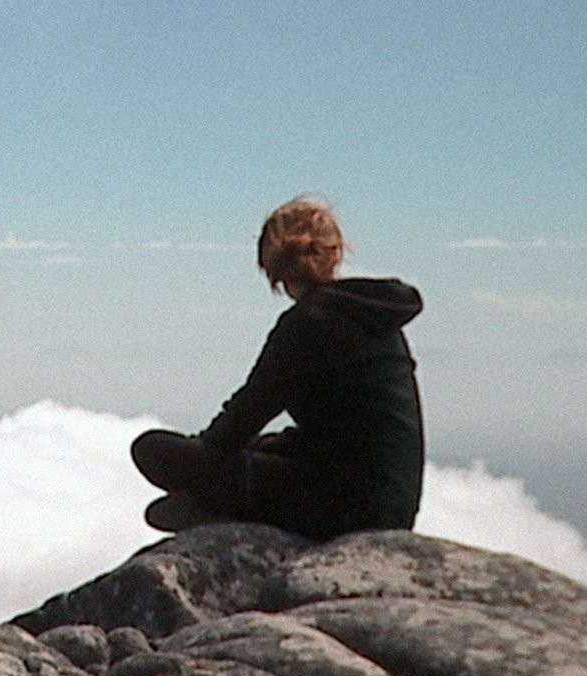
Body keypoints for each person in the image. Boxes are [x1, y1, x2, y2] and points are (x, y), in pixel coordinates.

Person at [130, 197, 424, 539]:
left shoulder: (308, 322)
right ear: (336, 253)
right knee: (264, 445)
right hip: (392, 507)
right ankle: (218, 502)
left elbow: (248, 410)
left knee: (152, 449)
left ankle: (221, 507)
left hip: (346, 513)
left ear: (273, 265)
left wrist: (201, 459)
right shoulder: (376, 316)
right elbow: (350, 431)